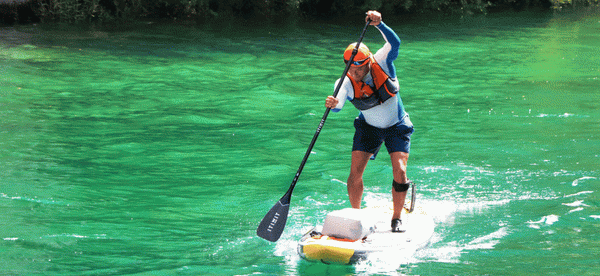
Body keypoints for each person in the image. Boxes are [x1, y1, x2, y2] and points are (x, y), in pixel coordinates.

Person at [325, 11, 413, 233]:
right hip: (368, 129)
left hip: (397, 125)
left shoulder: (382, 62)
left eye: (359, 68)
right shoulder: (344, 81)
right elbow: (338, 107)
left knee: (400, 171)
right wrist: (333, 103)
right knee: (355, 173)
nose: (355, 72)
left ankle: (396, 218)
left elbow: (395, 43)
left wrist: (380, 24)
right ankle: (356, 217)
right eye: (351, 68)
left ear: (367, 62)